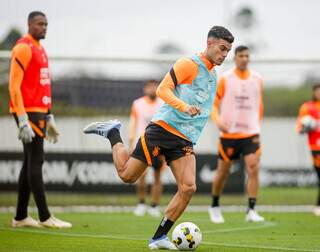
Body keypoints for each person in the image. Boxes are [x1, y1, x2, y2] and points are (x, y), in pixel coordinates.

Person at [84, 26, 234, 250]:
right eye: (222, 48)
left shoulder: (213, 75)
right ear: (209, 43)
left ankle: (159, 237)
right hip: (163, 130)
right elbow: (164, 90)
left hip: (184, 140)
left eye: (228, 51)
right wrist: (184, 107)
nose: (224, 55)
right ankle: (113, 132)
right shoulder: (188, 64)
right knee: (127, 175)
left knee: (189, 187)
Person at [9, 11, 71, 228]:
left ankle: (20, 216)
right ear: (29, 24)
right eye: (39, 23)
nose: (43, 27)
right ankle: (45, 217)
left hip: (40, 111)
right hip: (28, 111)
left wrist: (50, 114)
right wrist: (22, 117)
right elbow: (13, 86)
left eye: (46, 24)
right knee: (36, 160)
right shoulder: (23, 47)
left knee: (29, 162)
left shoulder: (40, 48)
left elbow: (42, 83)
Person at [208, 45, 264, 223]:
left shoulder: (257, 79)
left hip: (250, 133)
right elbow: (214, 104)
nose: (245, 59)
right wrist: (218, 120)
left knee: (253, 168)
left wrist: (257, 125)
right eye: (241, 56)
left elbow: (259, 104)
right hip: (229, 134)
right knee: (223, 172)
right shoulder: (225, 78)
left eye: (247, 56)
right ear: (235, 58)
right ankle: (215, 205)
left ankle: (251, 209)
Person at [129, 80, 165, 217]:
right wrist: (131, 141)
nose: (153, 89)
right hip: (142, 143)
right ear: (145, 89)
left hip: (159, 144)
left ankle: (154, 206)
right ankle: (141, 203)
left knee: (157, 176)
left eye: (155, 86)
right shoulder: (137, 104)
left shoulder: (163, 103)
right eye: (150, 87)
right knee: (141, 176)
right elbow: (133, 123)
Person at [296, 84, 320, 216]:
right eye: (318, 91)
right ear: (314, 93)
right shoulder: (307, 107)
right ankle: (318, 206)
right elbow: (300, 128)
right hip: (316, 147)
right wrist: (306, 127)